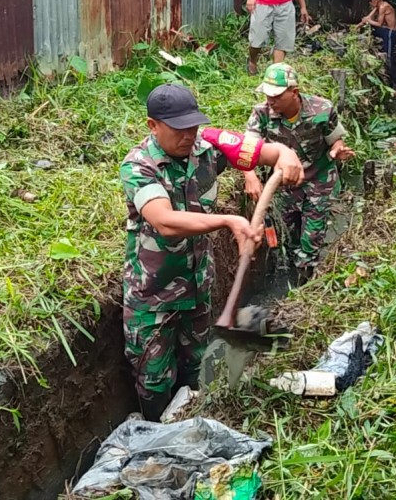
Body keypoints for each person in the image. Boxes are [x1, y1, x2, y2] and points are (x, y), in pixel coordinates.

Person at [120, 83, 304, 421]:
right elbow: (164, 221)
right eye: (179, 128)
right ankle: (158, 440)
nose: (189, 135)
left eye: (193, 125)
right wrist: (230, 220)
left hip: (199, 288)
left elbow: (267, 151)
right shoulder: (139, 166)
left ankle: (195, 429)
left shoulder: (209, 147)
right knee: (154, 384)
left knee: (198, 373)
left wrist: (285, 155)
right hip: (153, 297)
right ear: (153, 126)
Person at [241, 64, 355, 284]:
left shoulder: (322, 109)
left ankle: (305, 281)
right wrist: (251, 176)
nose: (270, 100)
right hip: (284, 182)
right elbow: (246, 149)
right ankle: (293, 268)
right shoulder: (262, 113)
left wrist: (337, 151)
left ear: (294, 92)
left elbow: (335, 139)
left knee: (312, 234)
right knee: (289, 232)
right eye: (267, 94)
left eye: (276, 95)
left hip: (319, 178)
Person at [359, 0, 396, 81]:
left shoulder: (383, 6)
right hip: (386, 31)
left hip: (391, 33)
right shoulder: (378, 6)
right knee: (370, 28)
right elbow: (368, 18)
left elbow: (379, 24)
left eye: (372, 0)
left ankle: (394, 82)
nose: (370, 2)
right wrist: (359, 25)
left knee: (388, 56)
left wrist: (368, 20)